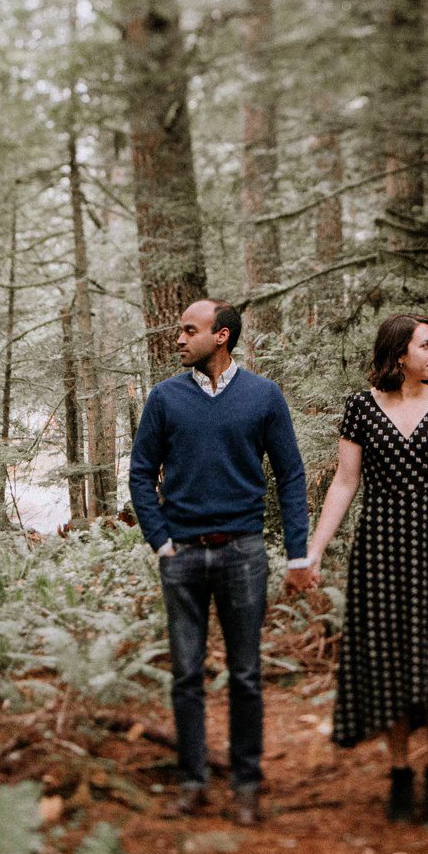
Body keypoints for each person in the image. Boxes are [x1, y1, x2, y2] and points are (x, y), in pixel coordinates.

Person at [128, 299, 315, 826]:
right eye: (180, 330)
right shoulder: (165, 398)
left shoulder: (263, 395)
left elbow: (290, 474)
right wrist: (160, 541)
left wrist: (298, 553)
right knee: (186, 674)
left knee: (246, 673)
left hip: (243, 553)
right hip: (183, 555)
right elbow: (141, 472)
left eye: (190, 330)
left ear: (222, 336)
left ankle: (246, 784)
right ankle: (192, 783)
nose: (179, 339)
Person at [303, 312, 428, 824]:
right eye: (426, 345)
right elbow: (344, 483)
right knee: (388, 663)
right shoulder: (361, 408)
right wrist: (315, 549)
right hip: (380, 553)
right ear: (399, 353)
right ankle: (401, 772)